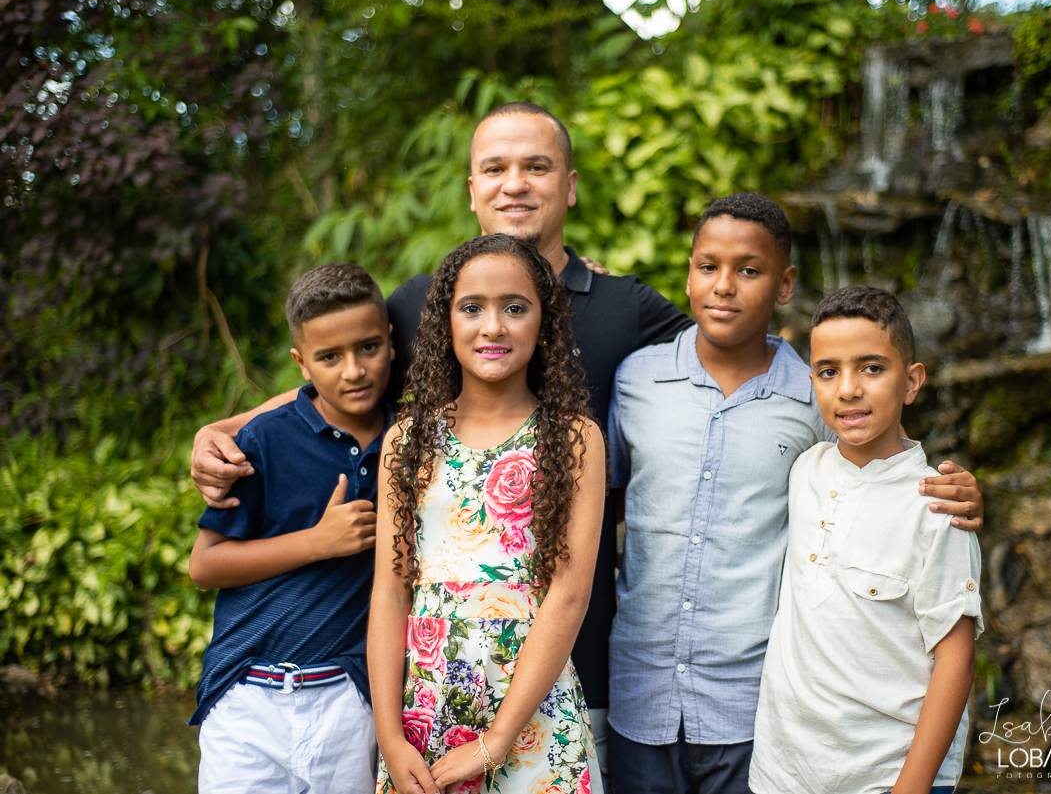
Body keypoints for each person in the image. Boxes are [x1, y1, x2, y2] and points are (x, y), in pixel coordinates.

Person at [188, 103, 984, 766]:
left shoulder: (625, 308)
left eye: (536, 166)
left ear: (568, 186)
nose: (515, 182)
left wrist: (920, 474)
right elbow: (337, 381)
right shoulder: (427, 300)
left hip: (587, 662)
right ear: (471, 188)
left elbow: (755, 354)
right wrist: (224, 429)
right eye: (495, 168)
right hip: (435, 676)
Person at [605, 195, 981, 794]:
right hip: (641, 692)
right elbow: (606, 505)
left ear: (785, 285)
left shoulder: (811, 399)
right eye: (708, 267)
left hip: (750, 712)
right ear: (688, 273)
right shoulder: (635, 380)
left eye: (749, 270)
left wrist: (957, 490)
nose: (724, 285)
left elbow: (875, 468)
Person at [369, 234, 606, 794]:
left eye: (515, 308)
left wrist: (496, 740)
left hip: (533, 715)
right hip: (425, 712)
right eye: (472, 308)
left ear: (544, 323)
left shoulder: (574, 438)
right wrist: (390, 737)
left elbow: (569, 595)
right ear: (445, 322)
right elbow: (390, 592)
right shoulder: (409, 440)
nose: (493, 327)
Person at [749, 285, 982, 794]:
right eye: (828, 371)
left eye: (872, 368)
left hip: (884, 776)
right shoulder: (804, 469)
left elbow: (957, 661)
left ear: (911, 381)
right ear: (812, 382)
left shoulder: (937, 508)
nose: (848, 389)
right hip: (781, 772)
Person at [187, 263, 393, 793]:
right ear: (302, 363)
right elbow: (205, 565)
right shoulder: (264, 440)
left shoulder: (408, 439)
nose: (353, 371)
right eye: (329, 357)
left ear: (392, 341)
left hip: (350, 697)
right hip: (246, 693)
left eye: (368, 348)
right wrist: (317, 543)